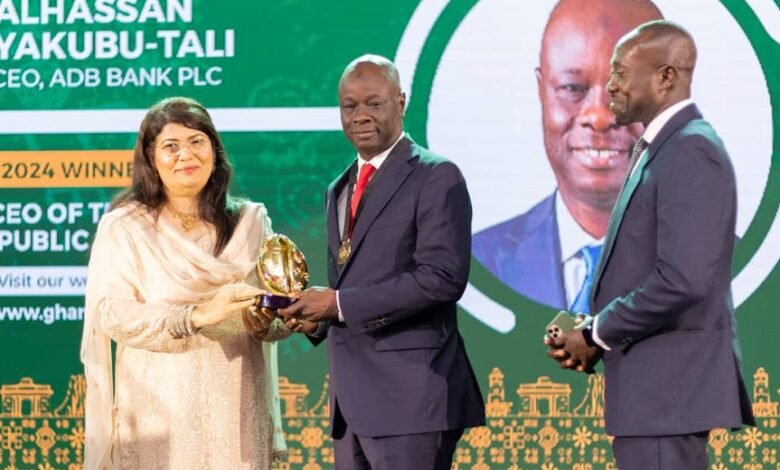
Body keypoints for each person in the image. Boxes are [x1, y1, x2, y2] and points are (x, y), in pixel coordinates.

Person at [546, 21, 755, 469]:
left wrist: (597, 331)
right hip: (655, 401)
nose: (611, 87)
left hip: (667, 398)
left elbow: (682, 280)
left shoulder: (690, 150)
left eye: (620, 72)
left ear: (667, 76)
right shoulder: (665, 147)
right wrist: (592, 331)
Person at [277, 55, 485, 469]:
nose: (360, 116)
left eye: (374, 103)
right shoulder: (338, 187)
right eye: (349, 106)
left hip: (411, 400)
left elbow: (442, 279)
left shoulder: (436, 175)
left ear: (401, 102)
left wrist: (338, 304)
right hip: (351, 407)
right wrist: (319, 318)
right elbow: (356, 280)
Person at [80, 97, 290, 469]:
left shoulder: (250, 222)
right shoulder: (125, 226)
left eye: (197, 141)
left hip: (237, 407)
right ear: (150, 156)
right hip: (157, 414)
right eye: (171, 146)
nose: (186, 155)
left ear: (214, 149)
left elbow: (271, 319)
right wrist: (194, 316)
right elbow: (112, 314)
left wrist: (274, 317)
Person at [472, 0, 662, 312]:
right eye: (573, 88)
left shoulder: (721, 262)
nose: (600, 116)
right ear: (541, 91)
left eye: (628, 88)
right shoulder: (475, 263)